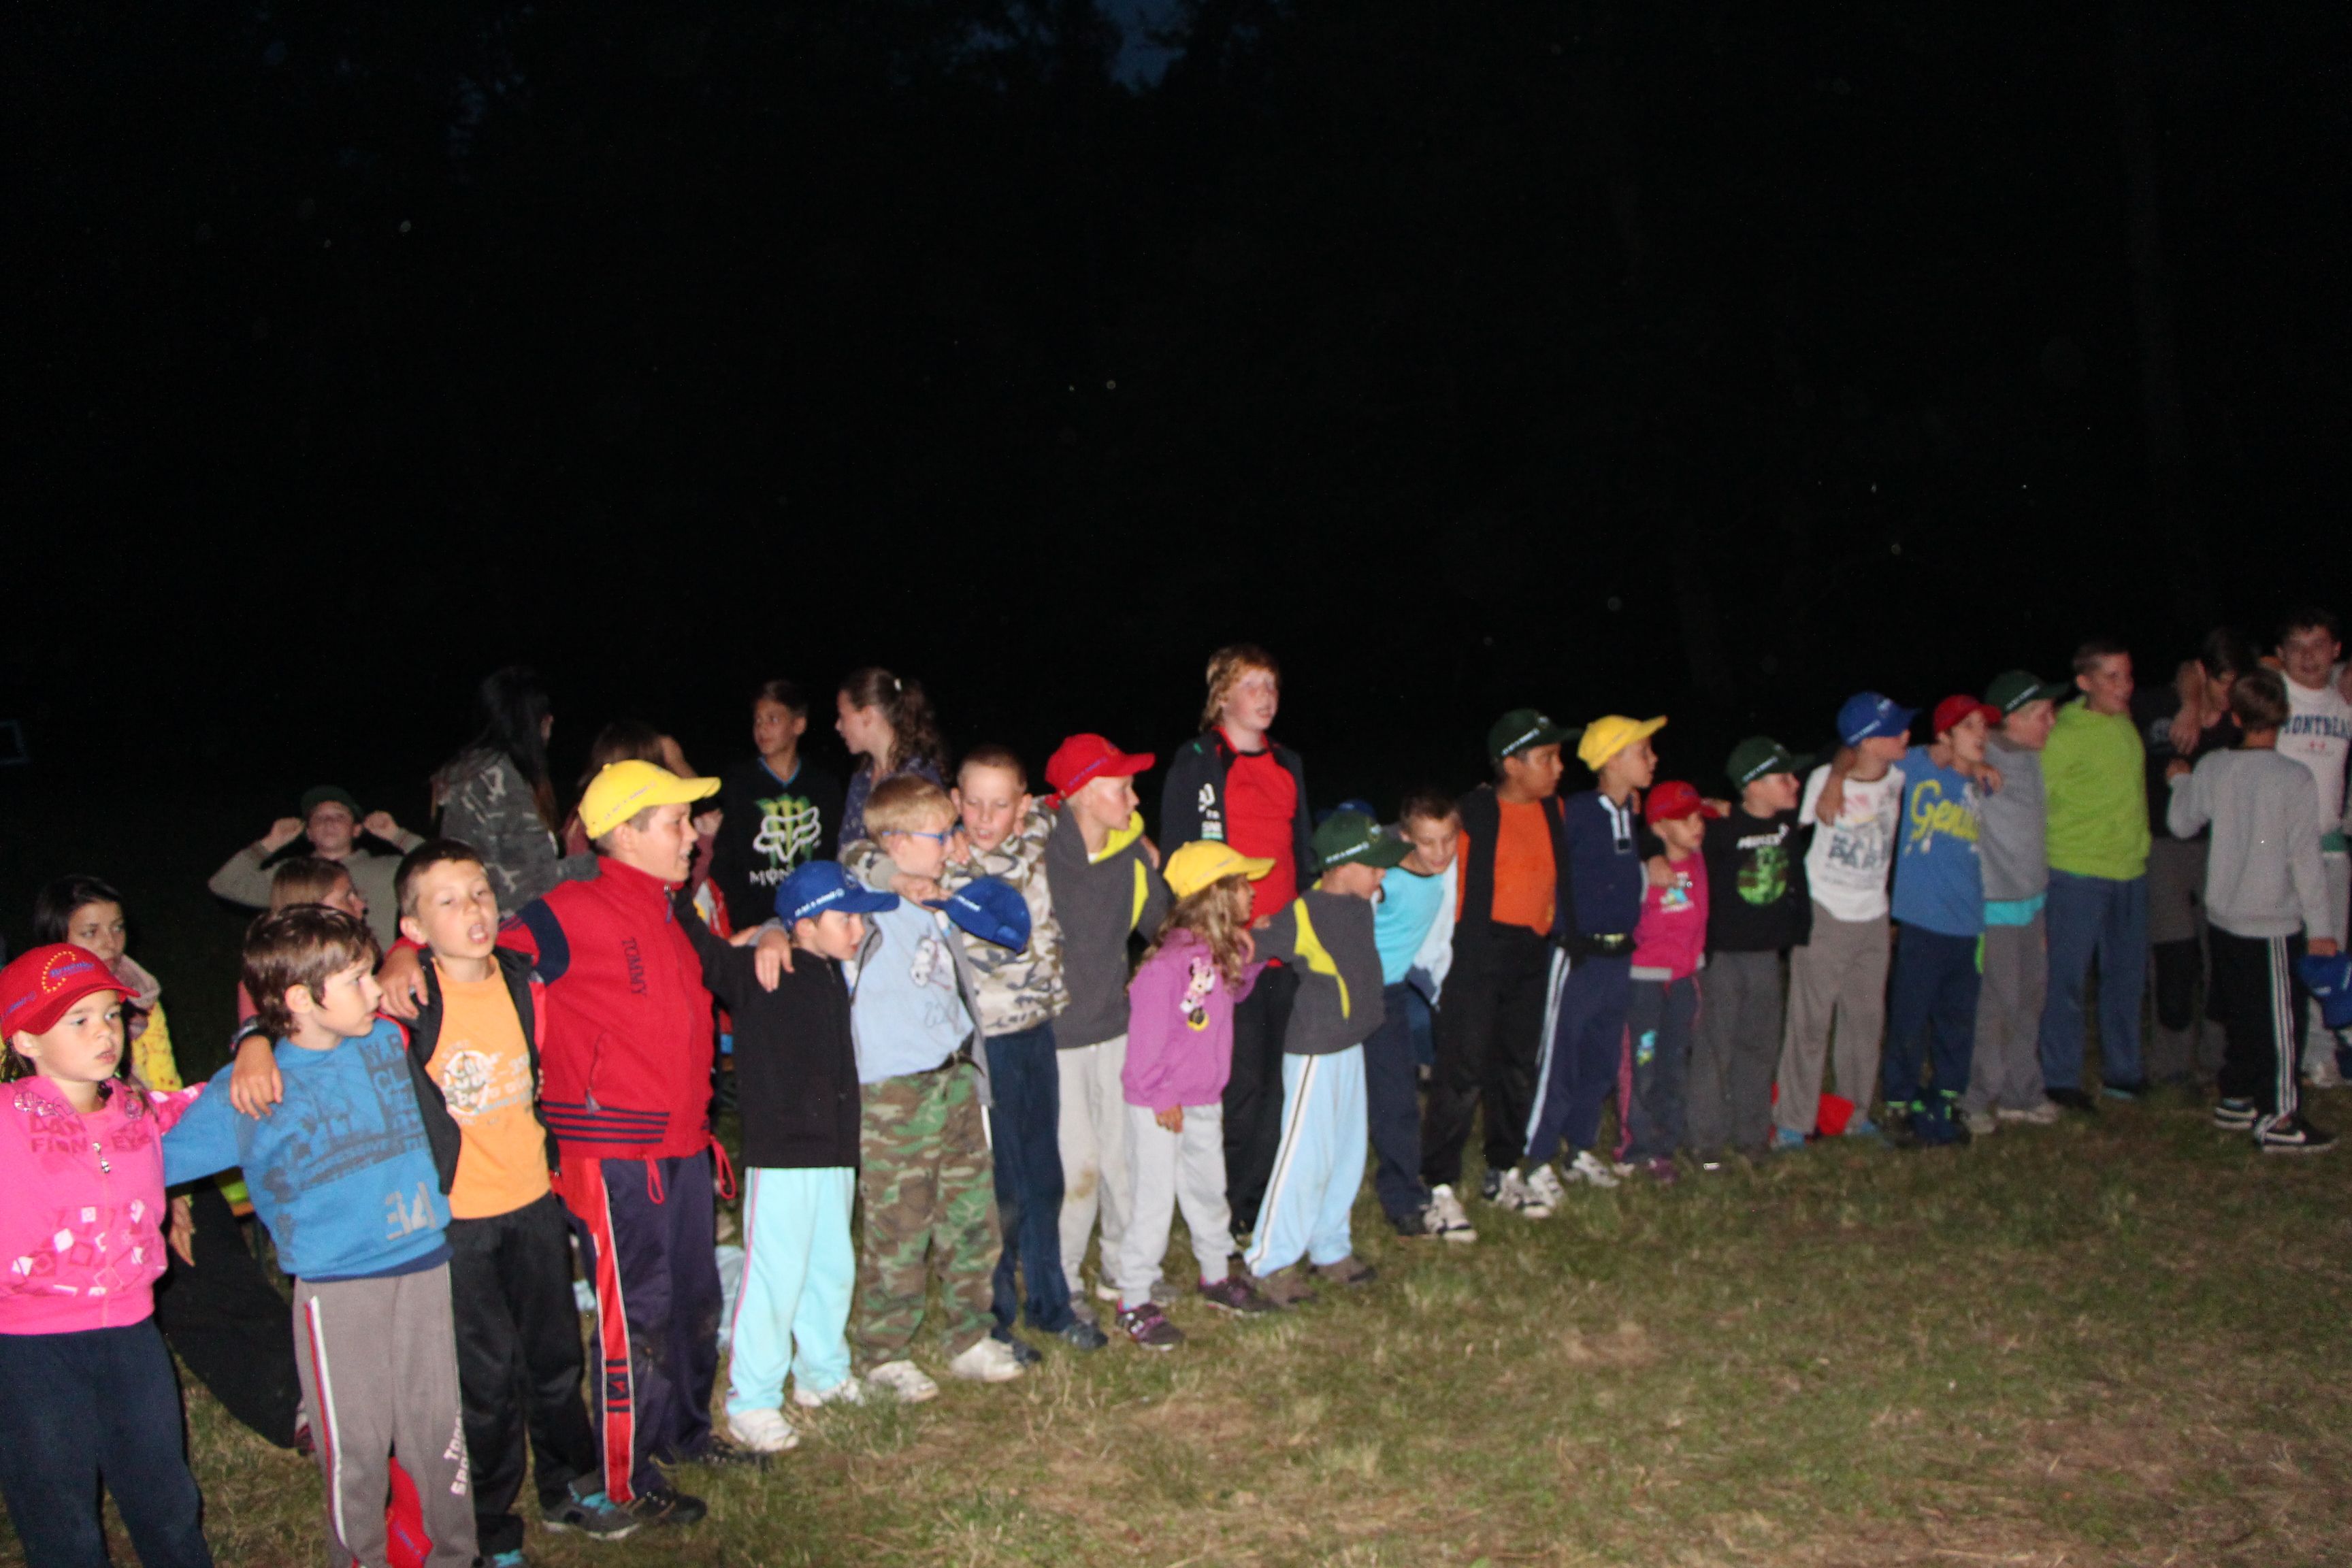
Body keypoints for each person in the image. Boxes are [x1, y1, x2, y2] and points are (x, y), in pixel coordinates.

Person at [382, 758, 736, 1524]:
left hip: (682, 1145)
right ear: (626, 836)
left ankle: (683, 1432)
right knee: (635, 1317)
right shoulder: (569, 910)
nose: (692, 835)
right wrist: (400, 954)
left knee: (693, 1299)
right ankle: (625, 1475)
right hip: (614, 1157)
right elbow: (472, 947)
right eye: (676, 822)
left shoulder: (670, 911)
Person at [165, 907, 476, 1568]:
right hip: (339, 1288)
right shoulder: (256, 1088)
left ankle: (455, 1555)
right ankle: (358, 1557)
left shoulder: (384, 1038)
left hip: (424, 1262)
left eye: (370, 973)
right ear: (302, 999)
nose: (374, 991)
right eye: (357, 980)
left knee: (437, 1430)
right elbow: (153, 1158)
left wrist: (400, 955)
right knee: (355, 1446)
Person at [393, 840, 632, 1556]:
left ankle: (570, 1485)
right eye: (447, 902)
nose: (472, 909)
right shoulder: (407, 1004)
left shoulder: (524, 980)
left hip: (532, 1202)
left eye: (480, 892)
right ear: (413, 928)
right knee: (485, 1380)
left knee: (555, 1358)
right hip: (458, 1223)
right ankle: (491, 1526)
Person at [35, 877, 306, 1454]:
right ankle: (280, 1409)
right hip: (80, 1184)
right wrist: (151, 1192)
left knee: (221, 1258)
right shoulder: (32, 1021)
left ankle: (308, 1392)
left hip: (158, 1153)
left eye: (116, 928)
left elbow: (165, 1092)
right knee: (183, 1289)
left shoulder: (140, 1001)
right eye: (90, 932)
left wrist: (173, 1187)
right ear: (56, 942)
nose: (109, 943)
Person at [847, 746, 1100, 1354]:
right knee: (998, 1190)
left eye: (1001, 804)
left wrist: (1139, 839)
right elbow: (857, 854)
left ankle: (1052, 1303)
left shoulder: (1035, 836)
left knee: (1045, 1176)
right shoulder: (938, 864)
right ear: (957, 803)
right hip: (985, 1046)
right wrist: (901, 878)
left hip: (1038, 1032)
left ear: (1022, 806)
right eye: (975, 804)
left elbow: (1084, 805)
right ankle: (993, 1319)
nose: (986, 818)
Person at [0, 944, 214, 1568]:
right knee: (59, 1520)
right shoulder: (8, 1118)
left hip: (131, 1338)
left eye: (110, 1015)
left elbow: (221, 1106)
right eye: (79, 1020)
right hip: (30, 1350)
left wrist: (257, 1045)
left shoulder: (137, 1110)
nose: (105, 1032)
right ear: (26, 1040)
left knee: (167, 1504)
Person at [687, 862, 888, 1450]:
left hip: (835, 1152)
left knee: (831, 1267)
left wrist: (776, 926)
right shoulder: (760, 971)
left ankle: (822, 1372)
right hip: (782, 1156)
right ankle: (753, 1399)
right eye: (846, 918)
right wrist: (766, 933)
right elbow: (702, 949)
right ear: (806, 924)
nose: (859, 930)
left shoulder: (835, 968)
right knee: (774, 1277)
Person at [842, 774, 1021, 1394]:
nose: (952, 843)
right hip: (896, 1092)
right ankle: (883, 1353)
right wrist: (895, 876)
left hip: (954, 1077)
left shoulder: (941, 898)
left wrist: (942, 868)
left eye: (951, 831)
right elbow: (853, 856)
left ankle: (970, 1335)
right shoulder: (868, 898)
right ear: (896, 842)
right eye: (939, 834)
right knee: (899, 1225)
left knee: (971, 1215)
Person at [1160, 645, 1316, 1239]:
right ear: (1222, 695)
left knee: (1276, 1080)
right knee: (1239, 1083)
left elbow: (1302, 852)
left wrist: (1307, 928)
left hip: (1284, 945)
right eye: (1251, 685)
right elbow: (1180, 856)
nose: (1265, 696)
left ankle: (1255, 1202)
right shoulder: (1199, 761)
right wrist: (1207, 937)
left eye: (1271, 685)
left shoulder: (1289, 762)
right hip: (1230, 947)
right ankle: (1216, 1207)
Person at [1113, 843, 1281, 1348]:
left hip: (1203, 1097)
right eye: (1242, 885)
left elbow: (1221, 999)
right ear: (1216, 896)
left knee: (1209, 1189)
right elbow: (1145, 1043)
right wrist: (1161, 1092)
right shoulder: (1167, 965)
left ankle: (1216, 1274)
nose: (1252, 893)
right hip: (1159, 1103)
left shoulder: (1212, 954)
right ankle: (1133, 1297)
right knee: (1152, 1201)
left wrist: (1247, 960)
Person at [2166, 668, 2337, 1152]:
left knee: (2241, 1012)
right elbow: (2305, 861)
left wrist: (2181, 782)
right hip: (2270, 923)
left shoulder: (2214, 767)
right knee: (2281, 1023)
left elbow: (2181, 824)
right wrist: (2322, 929)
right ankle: (2278, 1117)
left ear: (2237, 717)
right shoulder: (2293, 777)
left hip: (2224, 919)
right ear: (2284, 715)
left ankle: (2237, 1096)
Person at [1422, 710, 1580, 1222]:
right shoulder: (1473, 811)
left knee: (1516, 1065)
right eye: (1547, 758)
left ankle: (1503, 1168)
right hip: (1478, 950)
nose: (1559, 767)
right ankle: (1439, 1182)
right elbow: (1417, 841)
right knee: (1462, 1069)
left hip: (1532, 951)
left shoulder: (1554, 809)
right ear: (1512, 764)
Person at [1241, 811, 1405, 1303]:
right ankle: (1268, 1262)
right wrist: (1237, 931)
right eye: (1373, 866)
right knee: (1304, 1159)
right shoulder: (1304, 912)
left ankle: (1330, 1247)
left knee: (1346, 1155)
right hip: (1315, 1051)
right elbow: (1251, 946)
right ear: (1340, 866)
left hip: (1350, 1044)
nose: (1382, 873)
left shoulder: (1361, 900)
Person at [1040, 734, 1170, 1314]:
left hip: (1116, 1030)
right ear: (1085, 795)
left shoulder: (1131, 856)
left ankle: (1122, 1266)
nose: (1135, 800)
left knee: (1122, 1157)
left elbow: (1164, 928)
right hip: (1056, 1037)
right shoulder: (1038, 852)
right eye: (1123, 788)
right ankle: (1064, 1277)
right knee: (1078, 1165)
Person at [1515, 715, 1663, 1209]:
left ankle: (1578, 1148)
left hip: (1618, 956)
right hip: (1577, 957)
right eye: (1643, 752)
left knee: (1600, 1060)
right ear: (1613, 760)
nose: (1653, 759)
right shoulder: (1575, 812)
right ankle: (1535, 1157)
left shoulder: (1629, 811)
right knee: (1560, 1060)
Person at [1776, 694, 1912, 1145]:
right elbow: (1780, 826)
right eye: (1895, 730)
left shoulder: (1900, 775)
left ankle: (1854, 1114)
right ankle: (1793, 1120)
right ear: (1869, 742)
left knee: (1865, 1023)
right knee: (1810, 1024)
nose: (1907, 735)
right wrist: (1834, 777)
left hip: (1873, 916)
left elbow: (1947, 753)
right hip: (1826, 913)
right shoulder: (1822, 781)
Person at [2038, 640, 2153, 1109]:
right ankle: (2060, 1077)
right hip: (2077, 872)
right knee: (2066, 980)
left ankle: (2123, 1073)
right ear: (2085, 682)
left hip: (2130, 870)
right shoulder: (2063, 735)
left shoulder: (2125, 724)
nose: (2125, 686)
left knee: (2126, 978)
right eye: (2113, 677)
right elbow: (2038, 802)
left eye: (2128, 676)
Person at [1880, 696, 1998, 1147]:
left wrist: (1981, 768)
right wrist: (1932, 752)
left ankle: (1947, 1099)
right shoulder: (1918, 767)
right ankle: (1899, 1102)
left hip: (1968, 924)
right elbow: (1865, 755)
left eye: (1984, 726)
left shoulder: (1982, 782)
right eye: (1969, 726)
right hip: (1922, 920)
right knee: (1910, 1018)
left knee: (1958, 1021)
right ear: (1945, 734)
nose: (1981, 734)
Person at [1687, 740, 1810, 1164]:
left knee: (1759, 1047)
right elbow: (1663, 834)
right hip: (1723, 956)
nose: (1794, 783)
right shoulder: (1719, 829)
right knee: (1714, 1048)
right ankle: (1706, 1140)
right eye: (1783, 777)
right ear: (1752, 786)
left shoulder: (1787, 821)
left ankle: (1752, 1134)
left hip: (1766, 954)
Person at [2138, 631, 2252, 1087]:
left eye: (2238, 683)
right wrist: (2187, 703)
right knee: (2174, 958)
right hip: (2163, 847)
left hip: (2220, 849)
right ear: (2204, 673)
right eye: (2224, 681)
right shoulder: (2157, 707)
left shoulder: (2240, 721)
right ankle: (2171, 1065)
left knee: (2221, 955)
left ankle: (2219, 1056)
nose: (2230, 692)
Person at [1963, 672, 2070, 1134]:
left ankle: (2020, 1093)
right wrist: (1971, 766)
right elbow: (1935, 756)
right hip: (1996, 903)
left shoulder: (2031, 758)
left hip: (2032, 901)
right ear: (2015, 718)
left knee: (2030, 998)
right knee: (1996, 1005)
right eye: (2044, 714)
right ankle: (1974, 1098)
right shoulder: (1984, 755)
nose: (2053, 722)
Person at [1365, 789, 1466, 1238]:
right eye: (1428, 841)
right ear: (1405, 837)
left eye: (1448, 839)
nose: (1440, 851)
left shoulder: (1448, 870)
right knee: (1340, 1102)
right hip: (1353, 992)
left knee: (1398, 1099)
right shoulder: (1382, 876)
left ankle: (1404, 1199)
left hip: (1394, 992)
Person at [431, 665, 591, 910]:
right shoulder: (499, 780)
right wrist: (610, 860)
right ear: (530, 722)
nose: (551, 720)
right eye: (543, 713)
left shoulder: (471, 771)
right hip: (504, 924)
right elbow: (534, 882)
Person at [2272, 610, 2352, 1086]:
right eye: (2297, 646)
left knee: (2329, 952)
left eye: (2319, 644)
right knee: (2279, 953)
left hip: (2330, 846)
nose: (2308, 656)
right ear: (2281, 653)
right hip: (2277, 847)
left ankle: (2321, 1056)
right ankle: (2282, 1049)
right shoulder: (2271, 693)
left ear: (2336, 650)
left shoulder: (2345, 700)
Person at [1621, 783, 1712, 1181]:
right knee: (1642, 1064)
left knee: (1674, 1064)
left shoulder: (1701, 860)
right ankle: (1634, 1146)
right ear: (1660, 828)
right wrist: (1648, 854)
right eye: (1685, 819)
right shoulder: (1644, 872)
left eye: (1698, 817)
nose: (1697, 825)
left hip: (1684, 983)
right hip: (1646, 983)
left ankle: (1664, 1146)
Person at [208, 785, 421, 946]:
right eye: (320, 817)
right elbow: (224, 883)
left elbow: (440, 865)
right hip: (306, 977)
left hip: (372, 977)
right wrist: (270, 842)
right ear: (308, 833)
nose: (329, 822)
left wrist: (398, 835)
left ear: (356, 830)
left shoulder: (389, 869)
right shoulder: (292, 874)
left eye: (339, 816)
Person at [712, 679, 845, 929]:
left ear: (798, 725)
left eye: (773, 720)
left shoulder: (823, 785)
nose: (762, 728)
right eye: (758, 721)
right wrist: (746, 918)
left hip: (812, 917)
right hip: (757, 920)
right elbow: (725, 861)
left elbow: (833, 852)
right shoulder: (739, 784)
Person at [835, 666, 949, 849]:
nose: (838, 726)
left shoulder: (916, 779)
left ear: (867, 715)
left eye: (842, 716)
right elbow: (846, 845)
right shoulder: (862, 776)